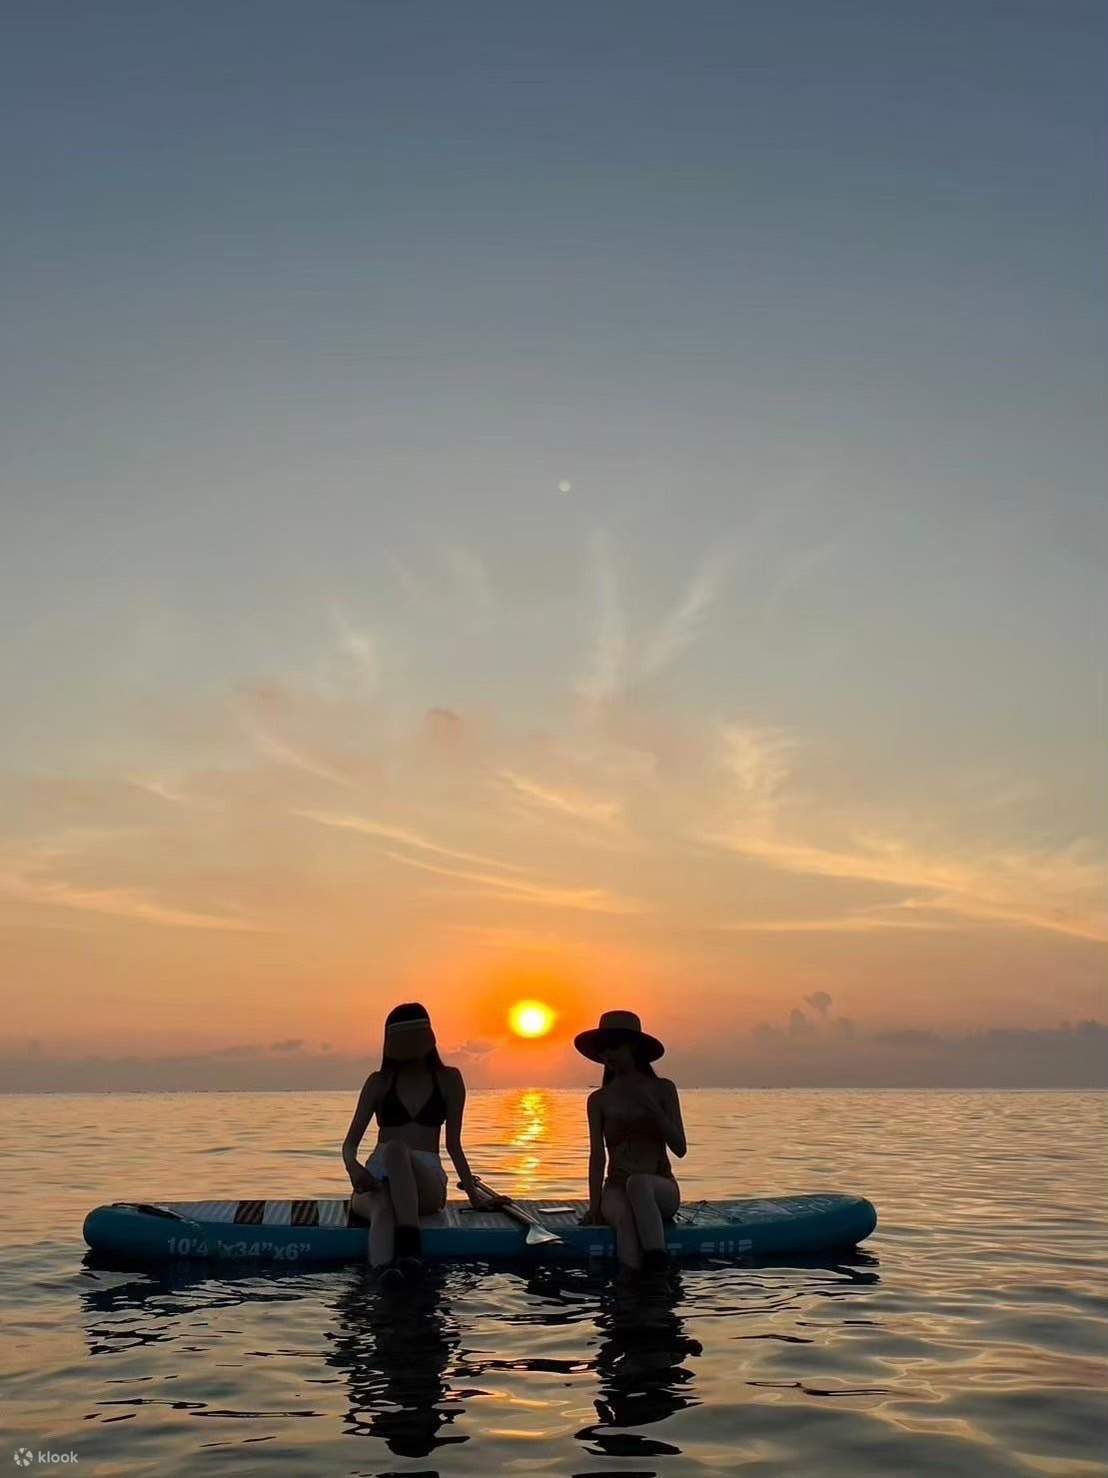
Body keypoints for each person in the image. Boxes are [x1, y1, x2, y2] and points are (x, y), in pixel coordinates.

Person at [341, 1002, 502, 1278]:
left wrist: (475, 1198)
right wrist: (354, 1168)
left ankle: (409, 1252)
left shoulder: (448, 1079)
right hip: (378, 1176)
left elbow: (453, 1145)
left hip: (425, 1180)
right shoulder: (379, 1082)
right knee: (381, 1202)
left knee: (396, 1149)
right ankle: (382, 1275)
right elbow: (349, 1146)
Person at [574, 1010, 687, 1273]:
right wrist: (594, 1208)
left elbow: (680, 1148)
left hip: (660, 1188)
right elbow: (597, 1156)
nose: (608, 1055)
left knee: (638, 1184)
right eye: (603, 1049)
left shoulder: (663, 1089)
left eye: (614, 1047)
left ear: (633, 1047)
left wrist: (654, 1111)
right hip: (615, 1189)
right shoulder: (599, 1100)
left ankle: (657, 1272)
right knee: (624, 1218)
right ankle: (631, 1289)